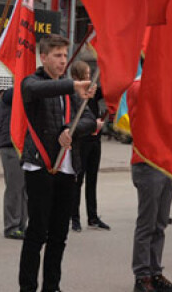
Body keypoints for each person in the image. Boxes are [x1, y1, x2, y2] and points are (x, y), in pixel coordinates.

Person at [18, 35, 96, 292]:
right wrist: (71, 86)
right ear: (43, 57)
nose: (63, 60)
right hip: (40, 167)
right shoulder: (34, 82)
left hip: (67, 169)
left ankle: (52, 286)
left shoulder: (71, 89)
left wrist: (70, 130)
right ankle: (28, 287)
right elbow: (33, 91)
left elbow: (89, 120)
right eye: (57, 55)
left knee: (59, 236)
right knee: (37, 233)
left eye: (65, 55)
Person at [128, 77, 172, 292]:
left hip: (166, 163)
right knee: (147, 224)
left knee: (160, 224)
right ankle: (142, 277)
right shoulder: (139, 85)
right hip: (147, 162)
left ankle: (155, 272)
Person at [70, 61, 109, 233]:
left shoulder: (94, 91)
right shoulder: (75, 95)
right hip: (82, 142)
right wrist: (93, 124)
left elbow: (110, 90)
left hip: (95, 142)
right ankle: (75, 218)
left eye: (89, 73)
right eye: (86, 74)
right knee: (78, 180)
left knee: (93, 180)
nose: (89, 76)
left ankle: (92, 217)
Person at [0, 87, 27, 240]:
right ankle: (12, 226)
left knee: (25, 190)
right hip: (11, 146)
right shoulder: (10, 94)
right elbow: (9, 96)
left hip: (25, 147)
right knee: (15, 188)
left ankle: (22, 224)